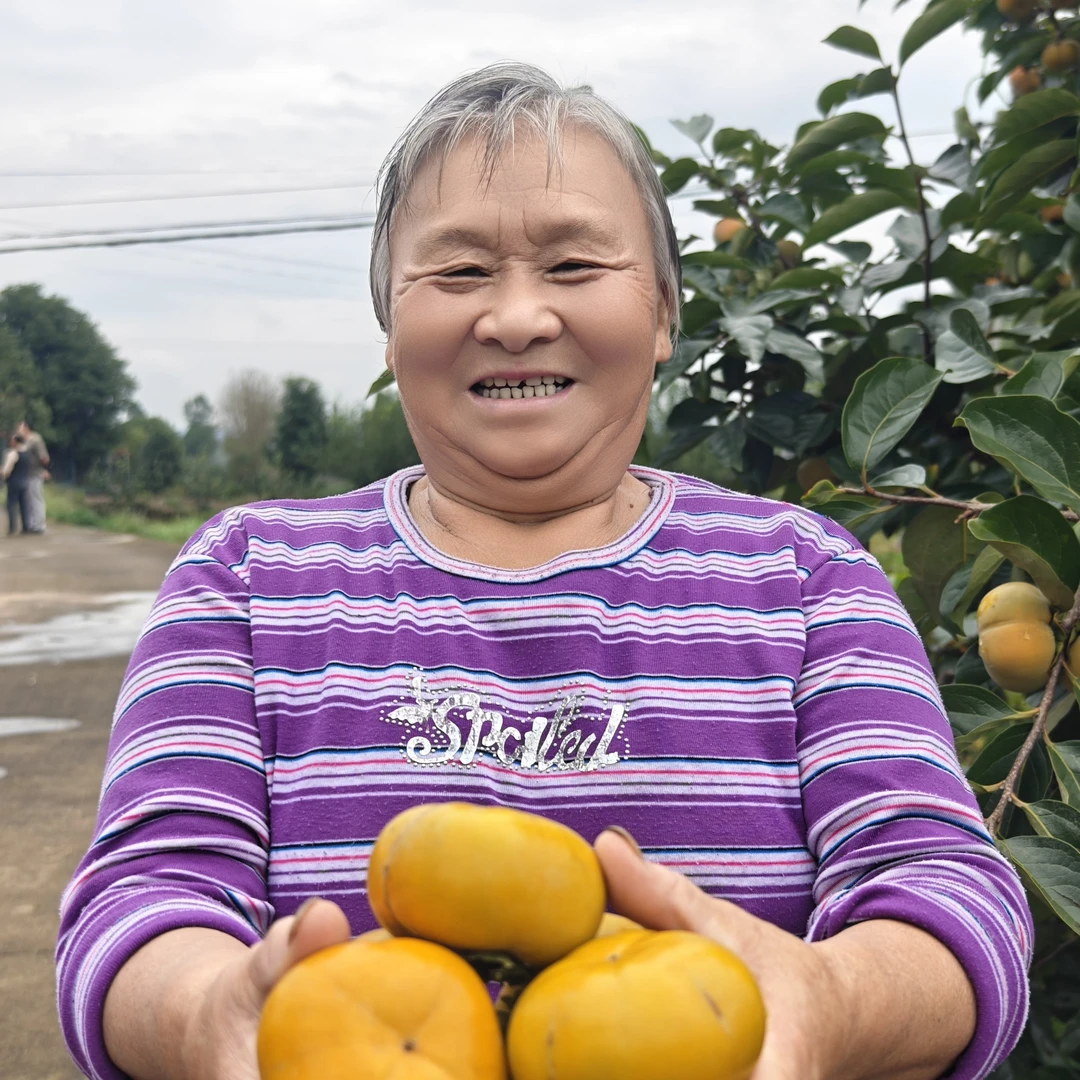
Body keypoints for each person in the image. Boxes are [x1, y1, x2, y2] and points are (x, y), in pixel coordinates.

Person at [57, 63, 1031, 1080]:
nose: (516, 316)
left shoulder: (806, 580)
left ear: (662, 315)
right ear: (390, 331)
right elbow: (143, 900)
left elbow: (946, 899)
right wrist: (208, 1018)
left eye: (572, 265)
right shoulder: (249, 579)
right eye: (459, 273)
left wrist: (828, 1007)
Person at [16, 419, 49, 533]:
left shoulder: (35, 439)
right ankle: (31, 525)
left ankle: (39, 526)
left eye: (19, 428)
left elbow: (44, 458)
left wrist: (44, 470)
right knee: (28, 501)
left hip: (35, 474)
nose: (18, 430)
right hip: (26, 474)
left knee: (36, 499)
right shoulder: (24, 441)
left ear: (26, 428)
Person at [3, 433, 31, 536]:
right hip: (25, 481)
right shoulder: (27, 453)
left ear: (15, 442)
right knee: (24, 505)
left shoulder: (13, 453)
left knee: (11, 504)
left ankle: (12, 528)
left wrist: (3, 473)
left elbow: (7, 470)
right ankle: (26, 527)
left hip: (14, 481)